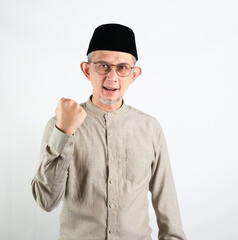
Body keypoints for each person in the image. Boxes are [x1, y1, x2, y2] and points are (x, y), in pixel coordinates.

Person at [31, 23, 186, 240]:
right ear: (87, 70)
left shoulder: (150, 128)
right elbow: (46, 201)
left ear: (134, 74)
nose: (112, 77)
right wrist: (64, 133)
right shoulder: (59, 125)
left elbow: (167, 201)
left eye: (122, 68)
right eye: (103, 66)